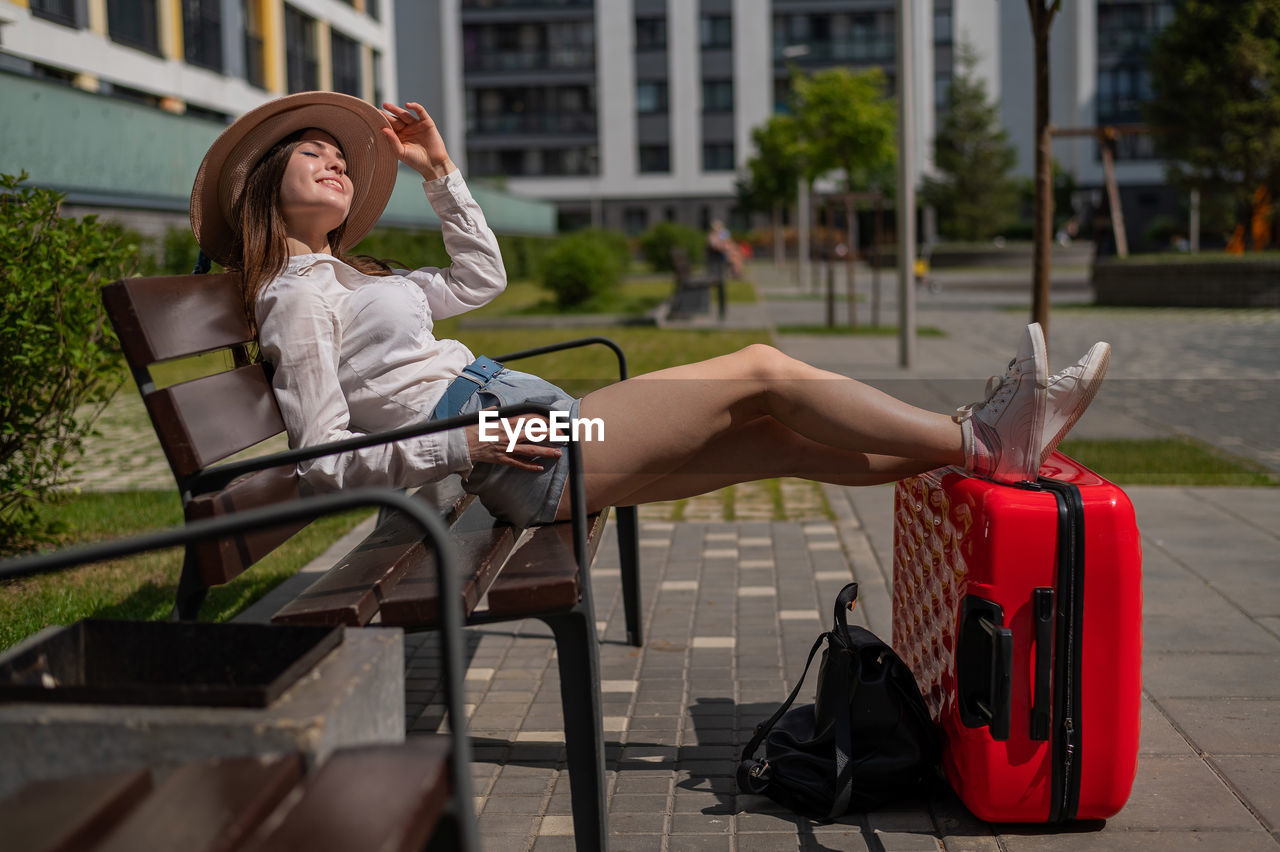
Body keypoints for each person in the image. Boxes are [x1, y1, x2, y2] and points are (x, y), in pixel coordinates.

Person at [190, 92, 1111, 529]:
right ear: (268, 186)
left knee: (788, 444)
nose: (337, 162)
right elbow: (321, 462)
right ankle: (988, 438)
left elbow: (479, 283)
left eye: (341, 157)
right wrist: (469, 446)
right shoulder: (294, 298)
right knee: (760, 370)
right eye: (313, 155)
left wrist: (441, 176)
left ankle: (984, 451)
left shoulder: (353, 278)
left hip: (528, 423)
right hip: (522, 449)